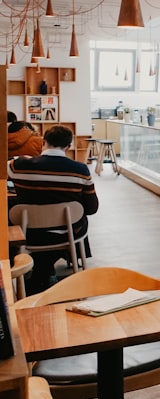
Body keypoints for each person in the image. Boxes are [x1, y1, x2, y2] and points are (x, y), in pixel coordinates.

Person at [9, 125, 99, 294]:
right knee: (79, 217)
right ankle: (57, 266)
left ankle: (35, 273)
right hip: (67, 233)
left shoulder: (17, 165)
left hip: (29, 234)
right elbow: (92, 208)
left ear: (43, 142)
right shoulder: (80, 170)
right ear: (69, 146)